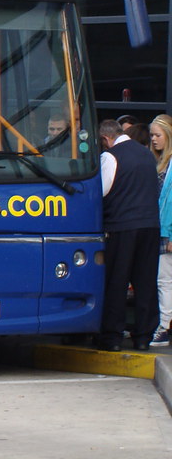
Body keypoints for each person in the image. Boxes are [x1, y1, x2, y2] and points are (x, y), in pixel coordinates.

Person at [97, 119, 161, 351]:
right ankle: (143, 336)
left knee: (117, 282)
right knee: (145, 282)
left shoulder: (110, 156)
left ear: (105, 139)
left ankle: (112, 337)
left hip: (122, 226)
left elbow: (101, 192)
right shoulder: (146, 155)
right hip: (150, 226)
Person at [150, 114, 172, 346]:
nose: (154, 140)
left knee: (164, 281)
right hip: (163, 230)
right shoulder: (161, 162)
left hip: (167, 231)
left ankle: (164, 327)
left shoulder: (168, 164)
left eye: (158, 135)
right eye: (152, 135)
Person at [150, 114, 172, 181]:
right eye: (151, 135)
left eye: (158, 135)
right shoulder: (154, 159)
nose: (153, 138)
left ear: (169, 136)